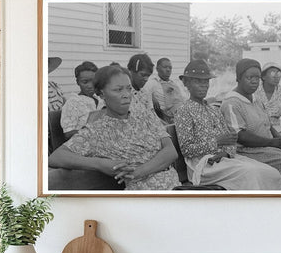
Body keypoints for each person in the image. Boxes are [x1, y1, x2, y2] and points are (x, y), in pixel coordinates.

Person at [49, 65, 179, 190]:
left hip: (174, 186)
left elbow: (170, 152)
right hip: (144, 192)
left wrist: (139, 172)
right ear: (101, 94)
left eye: (128, 88)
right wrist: (99, 164)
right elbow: (56, 157)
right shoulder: (96, 131)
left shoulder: (144, 115)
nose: (126, 94)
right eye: (118, 90)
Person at [174, 60, 281, 190]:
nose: (204, 85)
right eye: (198, 81)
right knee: (251, 173)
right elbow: (186, 149)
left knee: (271, 173)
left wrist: (226, 153)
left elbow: (231, 140)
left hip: (223, 159)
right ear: (186, 83)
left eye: (206, 81)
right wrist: (216, 142)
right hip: (202, 166)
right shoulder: (184, 110)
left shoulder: (213, 110)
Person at [221, 58, 281, 189]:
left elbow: (268, 125)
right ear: (238, 78)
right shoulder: (232, 103)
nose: (254, 81)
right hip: (246, 151)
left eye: (257, 77)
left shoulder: (256, 99)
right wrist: (272, 142)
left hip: (266, 146)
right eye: (249, 77)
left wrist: (280, 139)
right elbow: (240, 136)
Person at [60, 61, 105, 140]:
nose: (90, 86)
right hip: (82, 144)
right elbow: (67, 134)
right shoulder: (73, 102)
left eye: (93, 81)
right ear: (78, 82)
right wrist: (90, 131)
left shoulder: (100, 99)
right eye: (85, 82)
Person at [143, 57, 186, 124]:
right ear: (157, 69)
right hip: (165, 120)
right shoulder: (152, 83)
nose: (168, 70)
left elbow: (185, 99)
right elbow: (143, 97)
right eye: (165, 67)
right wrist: (152, 98)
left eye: (170, 68)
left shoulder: (176, 83)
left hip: (182, 117)